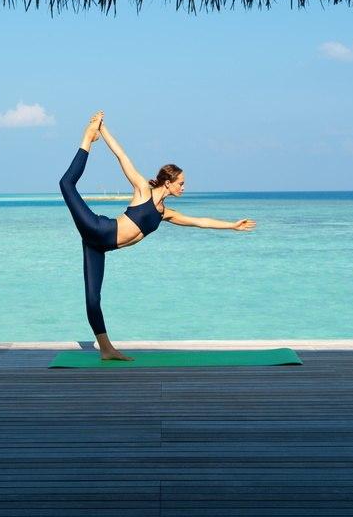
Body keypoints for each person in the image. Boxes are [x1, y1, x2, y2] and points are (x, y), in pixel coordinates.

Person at [58, 110, 257, 361]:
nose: (184, 187)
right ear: (168, 182)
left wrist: (232, 225)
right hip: (98, 228)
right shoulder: (143, 190)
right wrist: (101, 130)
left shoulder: (166, 213)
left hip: (98, 246)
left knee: (93, 299)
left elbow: (200, 222)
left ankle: (106, 349)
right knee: (66, 184)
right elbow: (121, 156)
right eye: (181, 183)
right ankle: (86, 138)